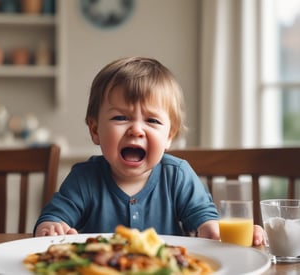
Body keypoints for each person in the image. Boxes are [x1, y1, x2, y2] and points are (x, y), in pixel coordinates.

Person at [34, 56, 265, 246]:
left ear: (169, 136)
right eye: (120, 117)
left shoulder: (177, 175)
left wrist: (215, 230)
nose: (136, 130)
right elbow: (53, 218)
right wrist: (51, 227)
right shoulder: (84, 178)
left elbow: (204, 218)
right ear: (95, 130)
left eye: (152, 121)